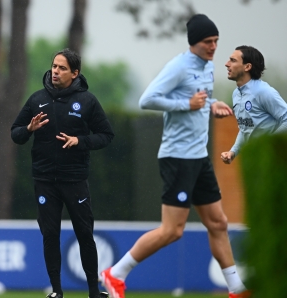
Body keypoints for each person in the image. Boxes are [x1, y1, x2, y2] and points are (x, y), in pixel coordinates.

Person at [100, 14, 250, 298]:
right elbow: (148, 99)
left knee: (218, 223)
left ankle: (236, 290)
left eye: (216, 41)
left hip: (198, 159)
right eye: (208, 41)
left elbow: (201, 98)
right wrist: (187, 104)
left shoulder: (207, 67)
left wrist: (213, 103)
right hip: (177, 158)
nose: (214, 46)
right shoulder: (179, 66)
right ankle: (114, 273)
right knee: (172, 230)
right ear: (195, 42)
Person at [11, 48, 114, 298]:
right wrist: (29, 127)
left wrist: (80, 140)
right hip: (45, 181)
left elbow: (106, 135)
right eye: (54, 66)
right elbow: (16, 134)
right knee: (50, 235)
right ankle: (56, 291)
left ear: (75, 73)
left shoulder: (87, 101)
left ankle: (93, 291)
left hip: (75, 180)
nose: (55, 71)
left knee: (85, 234)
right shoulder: (37, 99)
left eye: (62, 68)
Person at [221, 45, 287, 164]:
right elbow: (245, 129)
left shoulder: (263, 92)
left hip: (272, 160)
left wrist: (267, 145)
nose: (227, 64)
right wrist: (233, 151)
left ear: (247, 66)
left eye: (233, 60)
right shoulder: (236, 94)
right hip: (254, 160)